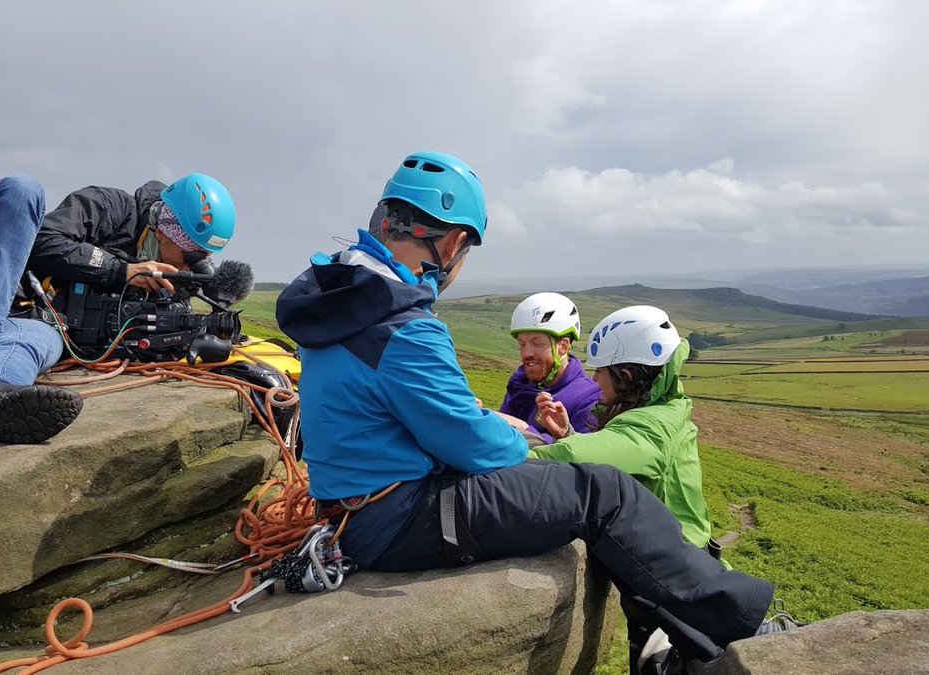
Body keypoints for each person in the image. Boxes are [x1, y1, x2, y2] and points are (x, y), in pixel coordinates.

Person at [275, 151, 784, 667]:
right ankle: (745, 623)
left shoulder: (337, 298)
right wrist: (519, 437)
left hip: (357, 509)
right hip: (398, 517)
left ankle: (679, 640)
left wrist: (479, 422)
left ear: (384, 221)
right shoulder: (404, 327)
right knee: (603, 494)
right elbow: (471, 445)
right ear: (453, 243)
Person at [0, 173, 235, 445]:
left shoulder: (170, 281)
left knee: (36, 343)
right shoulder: (109, 206)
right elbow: (40, 241)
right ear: (164, 229)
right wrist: (122, 271)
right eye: (193, 252)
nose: (191, 262)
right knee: (22, 189)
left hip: (34, 319)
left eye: (204, 255)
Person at [529, 305, 716, 555]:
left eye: (600, 370)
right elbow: (617, 454)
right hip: (681, 554)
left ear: (625, 375)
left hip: (675, 566)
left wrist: (498, 457)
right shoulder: (666, 408)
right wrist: (568, 434)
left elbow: (572, 457)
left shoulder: (652, 427)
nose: (594, 380)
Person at [500, 292, 601, 443]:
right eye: (522, 344)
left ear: (563, 347)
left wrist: (524, 429)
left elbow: (581, 456)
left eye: (537, 343)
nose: (526, 353)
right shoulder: (519, 384)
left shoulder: (589, 397)